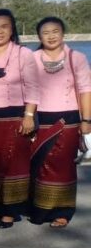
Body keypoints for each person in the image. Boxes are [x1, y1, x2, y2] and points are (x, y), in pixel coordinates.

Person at [29, 16, 91, 227]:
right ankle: (39, 209)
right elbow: (27, 89)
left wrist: (86, 120)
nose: (51, 36)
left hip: (69, 119)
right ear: (39, 36)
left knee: (64, 166)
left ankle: (63, 211)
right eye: (45, 32)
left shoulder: (76, 58)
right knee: (40, 164)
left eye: (55, 31)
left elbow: (85, 90)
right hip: (41, 119)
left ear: (63, 33)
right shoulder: (32, 58)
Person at [0, 8, 39, 228]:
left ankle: (10, 212)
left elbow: (33, 87)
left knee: (13, 165)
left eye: (4, 26)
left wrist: (29, 115)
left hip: (15, 117)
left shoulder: (23, 54)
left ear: (12, 30)